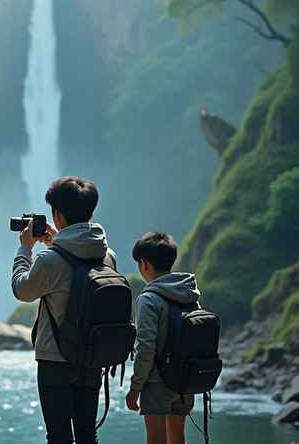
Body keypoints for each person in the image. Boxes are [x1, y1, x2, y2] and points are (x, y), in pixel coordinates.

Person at [12, 176, 117, 444]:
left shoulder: (50, 260)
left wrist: (25, 249)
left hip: (54, 359)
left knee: (58, 435)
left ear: (57, 215)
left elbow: (22, 290)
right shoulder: (107, 256)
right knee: (87, 433)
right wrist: (57, 242)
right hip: (92, 357)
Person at [126, 232, 199, 444]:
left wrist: (135, 387)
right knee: (177, 438)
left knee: (156, 440)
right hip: (185, 379)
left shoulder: (149, 299)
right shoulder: (189, 294)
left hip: (157, 382)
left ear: (144, 264)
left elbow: (146, 348)